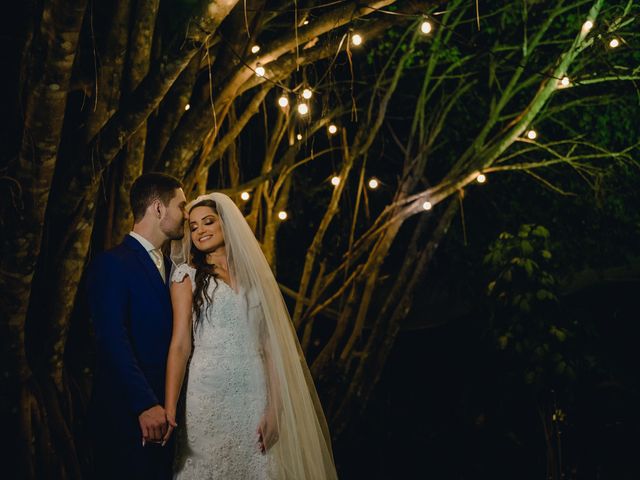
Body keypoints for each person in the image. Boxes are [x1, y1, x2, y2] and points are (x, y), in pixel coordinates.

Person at [164, 192, 338, 479]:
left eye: (208, 222)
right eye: (193, 227)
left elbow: (270, 346)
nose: (200, 231)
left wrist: (276, 408)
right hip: (207, 393)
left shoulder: (255, 277)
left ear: (226, 225)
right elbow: (180, 344)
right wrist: (170, 407)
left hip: (255, 390)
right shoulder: (187, 277)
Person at [87, 173, 187, 480]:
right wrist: (144, 403)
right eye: (181, 206)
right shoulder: (113, 263)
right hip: (128, 416)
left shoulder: (175, 269)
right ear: (158, 209)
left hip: (171, 417)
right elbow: (112, 339)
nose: (187, 213)